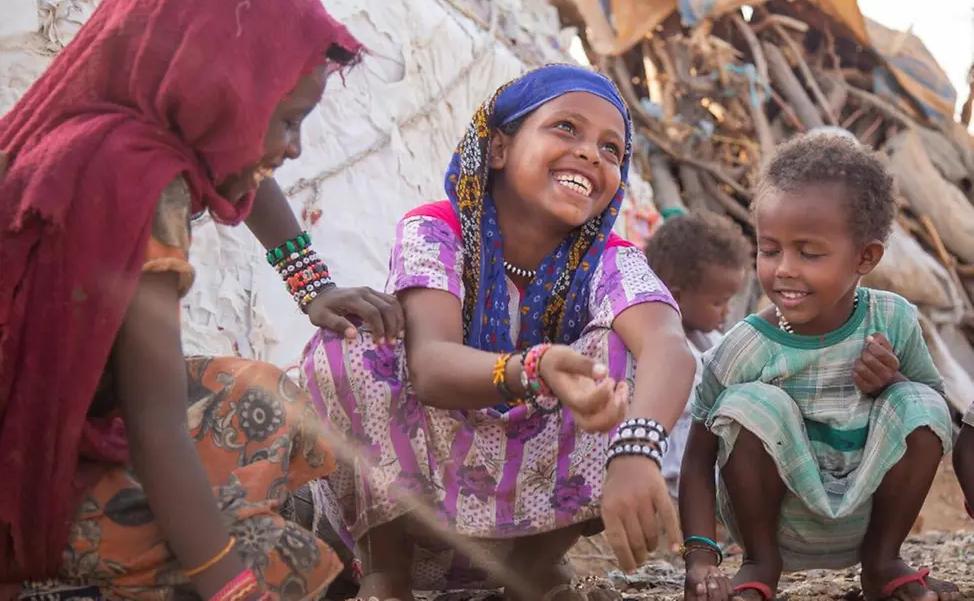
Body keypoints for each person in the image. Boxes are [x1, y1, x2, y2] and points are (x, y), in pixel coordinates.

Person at [0, 0, 403, 598]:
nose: (296, 147)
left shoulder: (105, 126)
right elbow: (155, 428)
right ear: (225, 96)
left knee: (266, 393)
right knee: (278, 557)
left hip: (63, 412)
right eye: (289, 121)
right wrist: (230, 586)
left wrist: (311, 284)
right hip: (30, 472)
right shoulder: (140, 189)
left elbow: (249, 168)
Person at [301, 64, 696, 601]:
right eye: (566, 128)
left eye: (611, 149)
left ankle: (530, 574)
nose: (590, 154)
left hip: (526, 525)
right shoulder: (436, 230)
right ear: (499, 149)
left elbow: (670, 347)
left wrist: (637, 448)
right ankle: (385, 574)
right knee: (353, 342)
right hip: (416, 502)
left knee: (622, 350)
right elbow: (431, 366)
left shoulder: (610, 261)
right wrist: (536, 368)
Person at [678, 133, 959, 601]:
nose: (784, 269)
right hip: (776, 524)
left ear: (865, 257)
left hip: (867, 516)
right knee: (748, 402)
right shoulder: (745, 347)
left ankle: (883, 563)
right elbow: (697, 458)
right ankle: (759, 566)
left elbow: (936, 421)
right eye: (770, 250)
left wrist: (892, 383)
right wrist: (700, 557)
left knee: (919, 399)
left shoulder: (892, 321)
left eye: (808, 252)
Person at [643, 211, 750, 499]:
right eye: (719, 302)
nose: (727, 311)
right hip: (672, 481)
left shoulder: (708, 338)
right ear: (676, 297)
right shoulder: (652, 351)